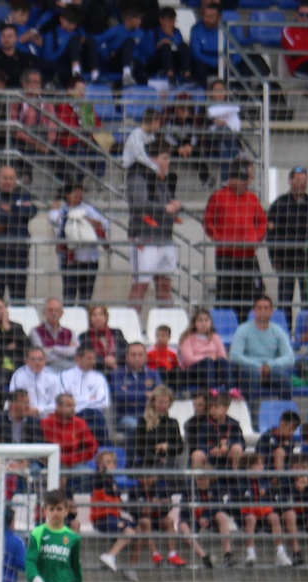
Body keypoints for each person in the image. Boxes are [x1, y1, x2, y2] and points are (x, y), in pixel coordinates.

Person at [204, 162, 267, 312]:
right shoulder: (218, 196)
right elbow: (207, 221)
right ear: (232, 179)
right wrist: (218, 238)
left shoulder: (252, 198)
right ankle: (224, 322)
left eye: (245, 179)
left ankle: (244, 321)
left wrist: (256, 238)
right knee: (225, 292)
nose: (245, 182)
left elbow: (262, 221)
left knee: (247, 294)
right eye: (241, 179)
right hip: (226, 255)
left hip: (248, 255)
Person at [127, 139, 182, 307]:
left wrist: (175, 206)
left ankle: (165, 321)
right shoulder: (138, 178)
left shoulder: (161, 181)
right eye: (164, 158)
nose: (168, 162)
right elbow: (140, 204)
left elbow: (168, 205)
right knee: (140, 286)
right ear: (152, 159)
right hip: (146, 239)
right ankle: (130, 322)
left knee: (165, 287)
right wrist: (166, 208)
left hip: (165, 238)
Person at [266, 166, 308, 308]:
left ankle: (307, 323)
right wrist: (275, 259)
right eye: (298, 180)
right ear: (290, 181)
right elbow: (271, 235)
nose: (301, 184)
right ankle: (285, 323)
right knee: (285, 299)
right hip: (286, 260)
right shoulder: (279, 204)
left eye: (304, 181)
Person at [47, 182, 109, 306]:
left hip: (89, 259)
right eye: (75, 195)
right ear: (67, 195)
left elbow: (106, 224)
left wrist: (91, 221)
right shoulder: (61, 211)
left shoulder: (88, 209)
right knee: (69, 294)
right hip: (69, 260)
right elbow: (54, 219)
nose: (79, 198)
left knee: (86, 296)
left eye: (81, 196)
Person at [0, 166, 36, 304]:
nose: (8, 181)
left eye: (11, 178)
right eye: (5, 178)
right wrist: (19, 211)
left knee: (19, 298)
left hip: (19, 255)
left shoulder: (24, 195)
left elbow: (32, 211)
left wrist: (12, 208)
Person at [230, 295, 296, 397]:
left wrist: (270, 365)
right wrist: (258, 366)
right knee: (252, 373)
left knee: (284, 379)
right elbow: (234, 355)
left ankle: (286, 407)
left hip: (270, 370)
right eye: (259, 308)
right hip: (249, 370)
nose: (262, 311)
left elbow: (289, 357)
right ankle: (249, 408)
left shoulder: (278, 331)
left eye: (266, 308)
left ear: (271, 311)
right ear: (254, 311)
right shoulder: (243, 329)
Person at [58, 345, 112, 443]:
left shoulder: (99, 377)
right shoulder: (64, 376)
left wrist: (76, 400)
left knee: (94, 416)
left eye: (94, 358)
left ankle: (106, 448)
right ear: (78, 359)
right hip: (72, 415)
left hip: (94, 416)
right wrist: (89, 398)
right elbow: (63, 401)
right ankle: (107, 447)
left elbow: (104, 402)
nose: (93, 362)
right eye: (89, 358)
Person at [111, 343, 163, 436]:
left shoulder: (153, 374)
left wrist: (131, 393)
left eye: (140, 355)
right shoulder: (118, 373)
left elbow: (159, 395)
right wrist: (145, 394)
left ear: (145, 357)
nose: (137, 358)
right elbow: (120, 396)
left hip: (149, 415)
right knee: (136, 427)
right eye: (133, 355)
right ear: (127, 357)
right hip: (126, 416)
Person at [129, 384, 183, 470]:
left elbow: (180, 447)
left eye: (166, 403)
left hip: (169, 463)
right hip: (148, 464)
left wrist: (168, 446)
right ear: (154, 402)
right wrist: (157, 459)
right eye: (160, 402)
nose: (163, 406)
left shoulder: (173, 422)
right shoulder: (144, 422)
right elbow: (140, 449)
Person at [41, 393, 98, 467]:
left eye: (74, 405)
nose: (73, 409)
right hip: (51, 463)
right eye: (69, 406)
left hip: (74, 464)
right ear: (58, 407)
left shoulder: (80, 423)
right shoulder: (46, 423)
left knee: (86, 473)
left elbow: (93, 447)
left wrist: (76, 458)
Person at [9, 345, 60, 419]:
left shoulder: (53, 377)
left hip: (48, 417)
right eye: (33, 359)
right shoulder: (19, 376)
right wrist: (28, 410)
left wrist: (39, 410)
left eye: (40, 359)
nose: (37, 362)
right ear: (26, 360)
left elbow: (57, 403)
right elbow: (15, 401)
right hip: (26, 417)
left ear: (45, 360)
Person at [78, 305, 126, 372]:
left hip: (116, 367)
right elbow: (84, 354)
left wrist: (114, 358)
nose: (98, 317)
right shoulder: (84, 336)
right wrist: (104, 360)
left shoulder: (116, 332)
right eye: (94, 315)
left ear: (106, 317)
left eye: (100, 314)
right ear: (90, 319)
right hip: (96, 369)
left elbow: (126, 349)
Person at [33, 297, 78, 369]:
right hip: (46, 368)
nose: (54, 313)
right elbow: (42, 355)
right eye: (50, 310)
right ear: (44, 312)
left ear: (61, 313)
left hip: (69, 367)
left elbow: (75, 352)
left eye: (57, 310)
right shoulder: (36, 332)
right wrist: (66, 352)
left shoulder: (70, 332)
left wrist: (53, 348)